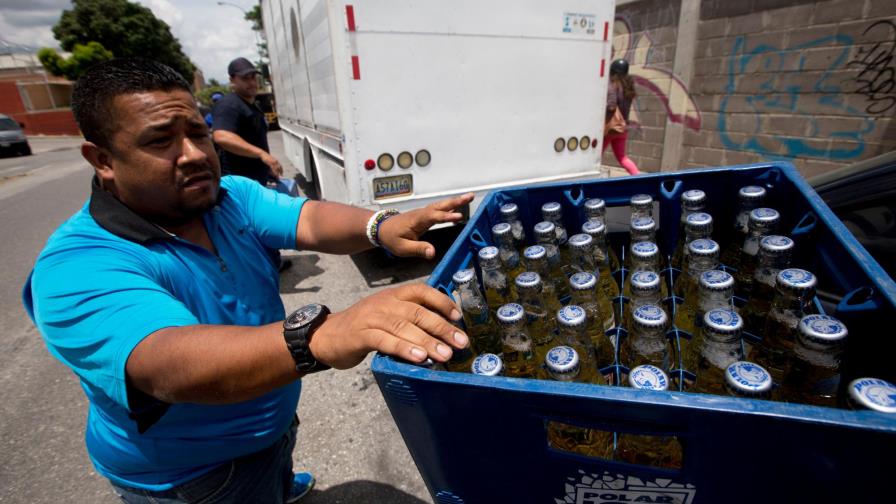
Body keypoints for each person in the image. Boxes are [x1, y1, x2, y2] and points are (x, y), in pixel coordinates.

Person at [22, 58, 473, 504]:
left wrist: (380, 226)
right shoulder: (76, 267)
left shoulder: (228, 198)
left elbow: (308, 218)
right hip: (194, 479)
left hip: (268, 424)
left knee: (275, 471)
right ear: (102, 158)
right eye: (161, 140)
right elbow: (168, 365)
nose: (195, 153)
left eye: (197, 132)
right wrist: (319, 335)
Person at [212, 57, 281, 185]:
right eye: (245, 78)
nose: (251, 83)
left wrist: (266, 168)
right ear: (232, 80)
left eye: (253, 77)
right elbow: (221, 136)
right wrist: (262, 154)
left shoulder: (251, 105)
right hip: (240, 185)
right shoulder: (228, 104)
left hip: (256, 181)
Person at [603, 58, 641, 175]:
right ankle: (639, 178)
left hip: (611, 129)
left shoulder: (613, 86)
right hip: (622, 128)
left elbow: (611, 106)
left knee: (595, 158)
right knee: (623, 158)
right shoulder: (627, 87)